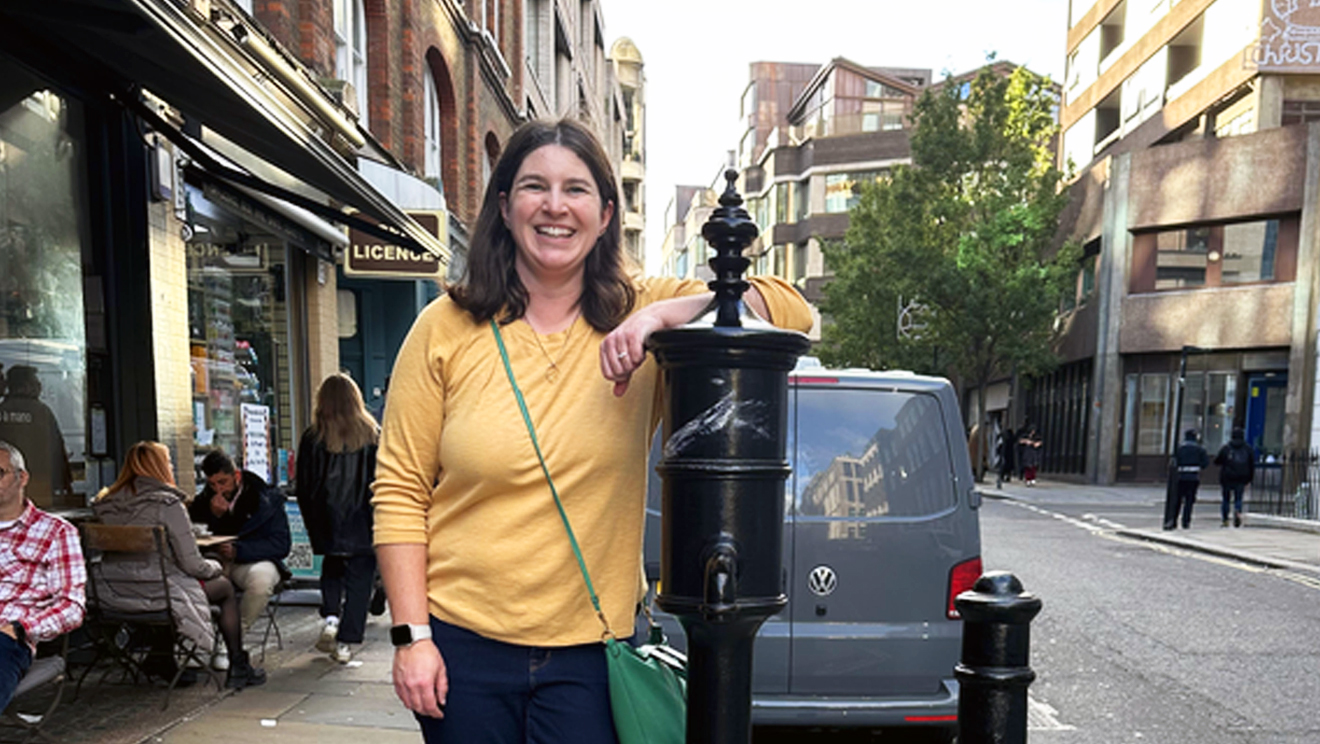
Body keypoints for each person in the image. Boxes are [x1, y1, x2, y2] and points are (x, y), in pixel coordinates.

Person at [371, 118, 812, 743]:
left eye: (575, 189)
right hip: (462, 648)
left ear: (606, 213)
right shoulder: (446, 325)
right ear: (505, 206)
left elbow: (791, 309)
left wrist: (658, 317)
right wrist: (412, 637)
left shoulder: (641, 309)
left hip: (592, 655)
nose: (555, 207)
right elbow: (399, 492)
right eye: (534, 187)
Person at [91, 441, 266, 689]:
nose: (172, 467)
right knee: (224, 588)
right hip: (158, 590)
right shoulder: (167, 505)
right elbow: (193, 564)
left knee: (172, 585)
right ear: (159, 467)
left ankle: (159, 658)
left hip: (111, 591)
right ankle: (238, 665)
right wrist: (215, 566)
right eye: (169, 462)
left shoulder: (104, 503)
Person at [296, 373, 379, 664]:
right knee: (360, 583)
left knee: (331, 570)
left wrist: (312, 522)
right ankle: (346, 643)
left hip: (326, 519)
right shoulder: (371, 435)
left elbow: (303, 485)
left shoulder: (313, 437)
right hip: (363, 521)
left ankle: (331, 618)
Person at [0, 439, 85, 711]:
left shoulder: (56, 532)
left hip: (6, 637)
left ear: (21, 477)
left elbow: (71, 606)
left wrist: (21, 628)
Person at [188, 450, 291, 631]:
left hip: (252, 560)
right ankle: (204, 633)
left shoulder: (265, 499)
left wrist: (239, 550)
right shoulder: (204, 501)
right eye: (212, 484)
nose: (218, 490)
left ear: (236, 476)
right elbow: (192, 534)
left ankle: (235, 634)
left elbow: (281, 544)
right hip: (213, 560)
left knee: (261, 581)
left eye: (223, 482)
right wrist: (214, 516)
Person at [0, 366, 73, 507]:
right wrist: (65, 483)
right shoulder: (42, 412)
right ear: (26, 386)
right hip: (40, 487)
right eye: (36, 382)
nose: (39, 386)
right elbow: (57, 450)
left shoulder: (2, 410)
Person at [1165, 429, 1209, 530]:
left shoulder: (1180, 448)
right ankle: (1186, 522)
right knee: (1189, 501)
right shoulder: (1200, 449)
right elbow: (1205, 463)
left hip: (1180, 476)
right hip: (1193, 477)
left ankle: (1173, 520)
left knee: (1177, 500)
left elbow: (1174, 461)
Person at [1214, 426, 1255, 528]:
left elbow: (1217, 461)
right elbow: (1252, 465)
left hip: (1227, 477)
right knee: (1238, 498)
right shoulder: (1248, 449)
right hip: (1241, 477)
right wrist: (1250, 478)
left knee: (1226, 499)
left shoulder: (1227, 448)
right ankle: (1237, 511)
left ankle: (1225, 520)